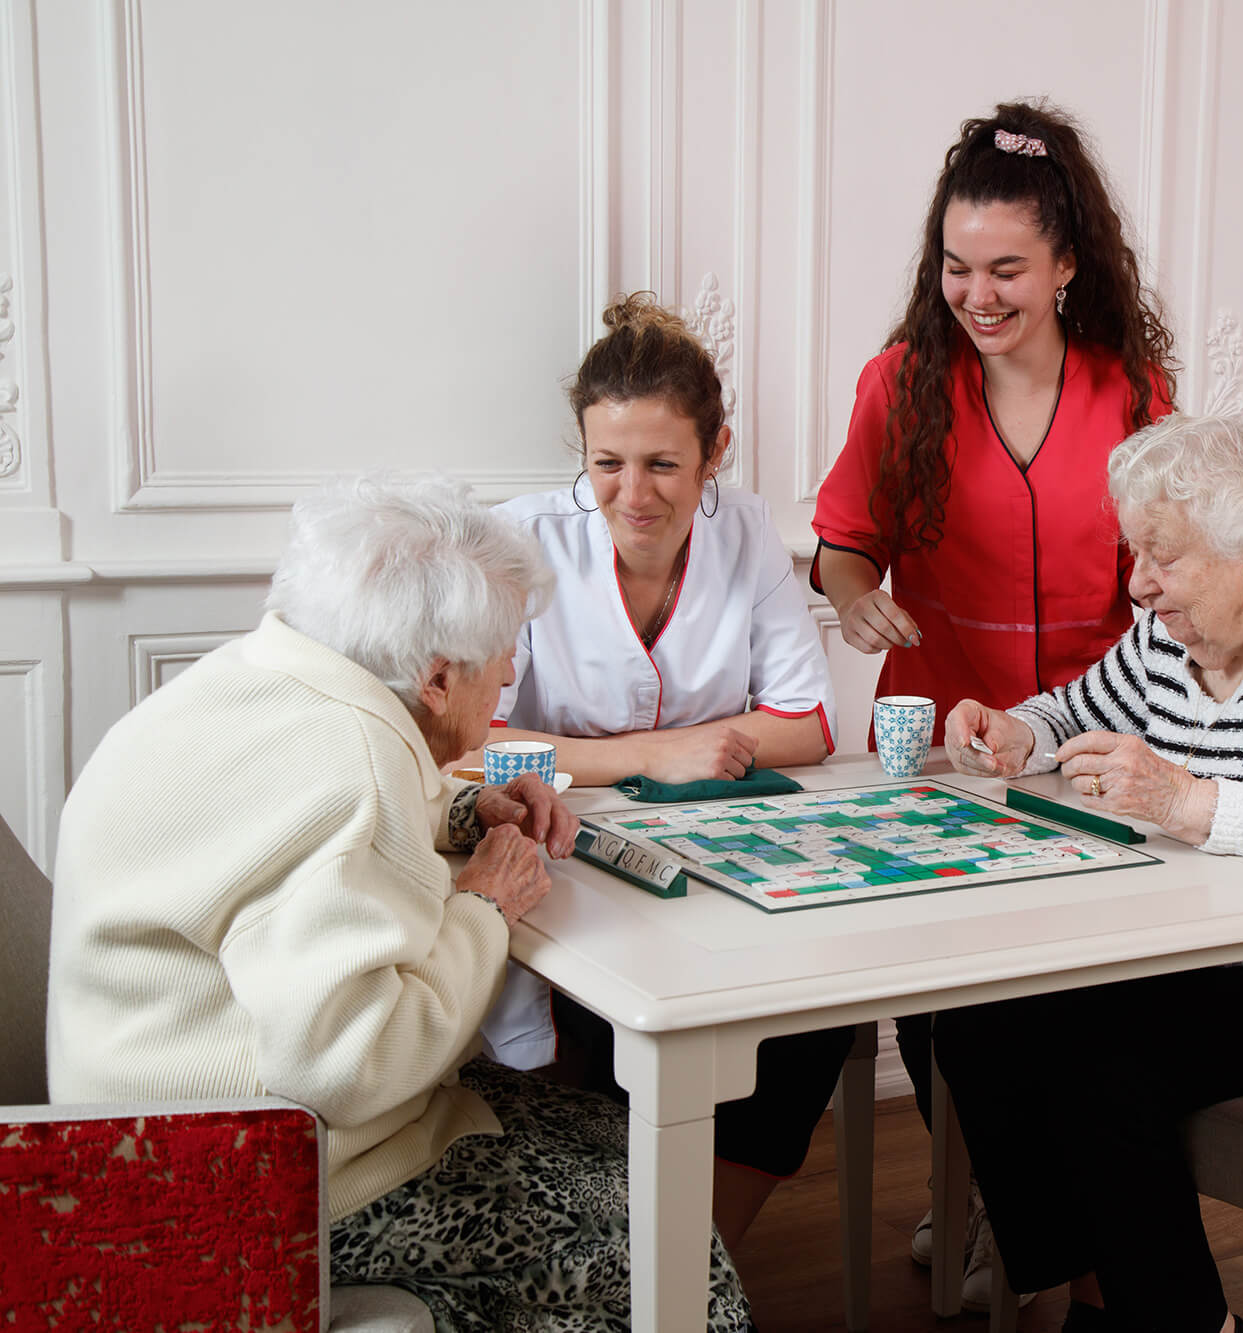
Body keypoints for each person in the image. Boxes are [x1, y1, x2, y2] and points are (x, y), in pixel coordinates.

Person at [44, 474, 752, 1330]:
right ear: (439, 678)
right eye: (505, 652)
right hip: (240, 1183)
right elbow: (354, 1066)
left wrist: (463, 810)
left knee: (627, 1141)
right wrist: (484, 906)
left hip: (138, 1129)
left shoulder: (277, 678)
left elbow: (303, 850)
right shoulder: (347, 758)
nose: (514, 671)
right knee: (671, 1250)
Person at [930, 414, 1243, 1333]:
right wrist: (1020, 732)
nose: (1138, 583)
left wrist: (1188, 802)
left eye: (1160, 557)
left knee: (1094, 1048)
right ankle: (1090, 1291)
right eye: (1135, 552)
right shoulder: (1176, 627)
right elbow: (1079, 704)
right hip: (1195, 953)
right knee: (973, 1003)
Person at [810, 100, 1178, 1300]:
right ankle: (978, 1202)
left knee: (1069, 1005)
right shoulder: (898, 384)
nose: (978, 293)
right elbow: (841, 547)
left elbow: (1170, 567)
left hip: (1086, 744)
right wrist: (858, 597)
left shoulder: (1134, 397)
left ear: (1068, 262)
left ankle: (1049, 1226)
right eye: (956, 266)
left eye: (1007, 268)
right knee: (938, 1004)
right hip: (937, 745)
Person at [477, 293, 852, 1256]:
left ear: (714, 452)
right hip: (559, 863)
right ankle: (642, 1268)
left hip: (717, 856)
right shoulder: (517, 543)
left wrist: (692, 746)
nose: (633, 494)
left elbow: (808, 724)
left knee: (810, 1019)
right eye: (607, 463)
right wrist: (659, 752)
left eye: (663, 464)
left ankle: (688, 1268)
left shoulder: (748, 530)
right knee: (613, 1029)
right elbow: (472, 741)